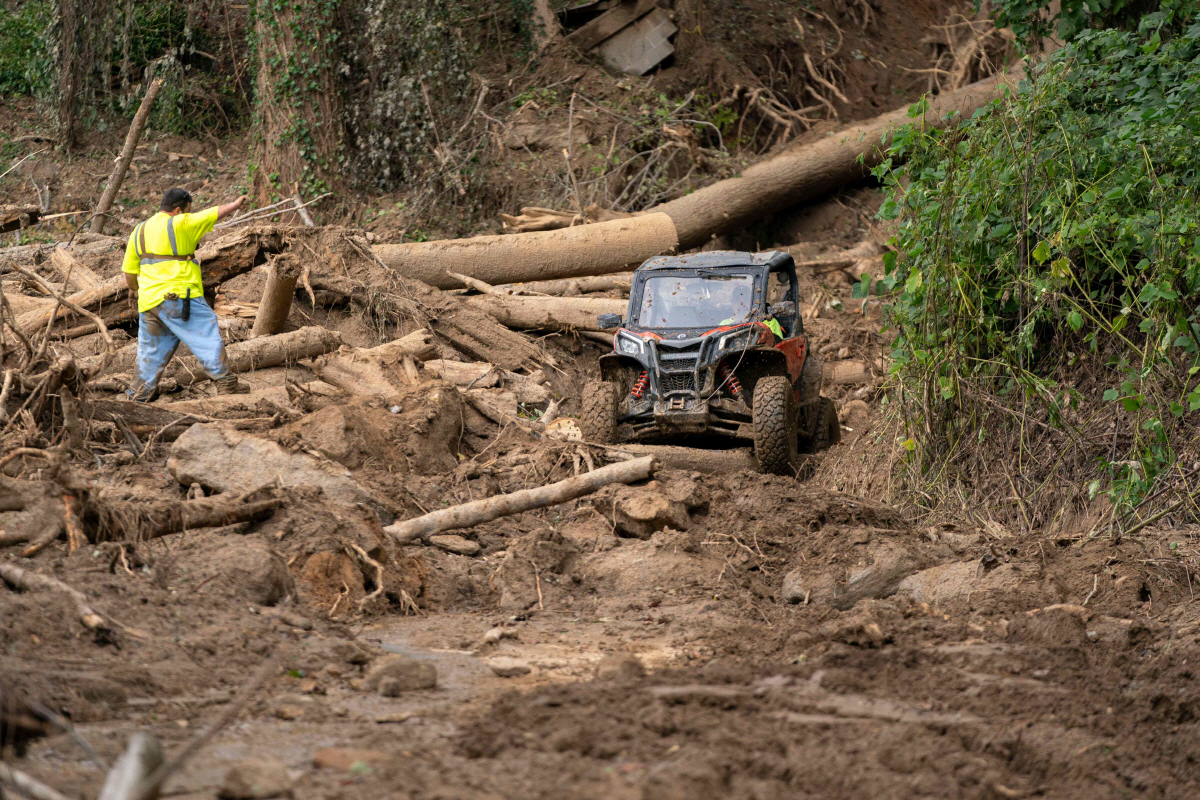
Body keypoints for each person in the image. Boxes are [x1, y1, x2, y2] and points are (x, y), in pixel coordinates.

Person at [122, 188, 250, 400]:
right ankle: (226, 383)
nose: (190, 214)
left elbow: (129, 272)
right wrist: (236, 205)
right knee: (206, 335)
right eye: (188, 211)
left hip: (149, 302)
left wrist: (135, 290)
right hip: (179, 296)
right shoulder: (181, 222)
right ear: (179, 210)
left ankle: (138, 395)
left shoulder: (139, 230)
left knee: (150, 351)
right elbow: (212, 214)